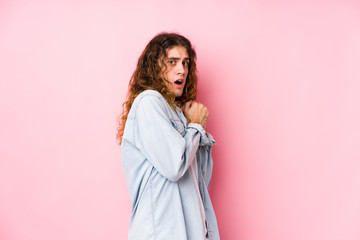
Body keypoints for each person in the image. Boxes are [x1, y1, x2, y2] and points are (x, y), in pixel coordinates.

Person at [117, 32, 220, 240]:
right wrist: (194, 127)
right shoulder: (149, 102)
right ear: (155, 67)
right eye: (172, 62)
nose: (181, 70)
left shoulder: (178, 112)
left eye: (185, 63)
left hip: (191, 229)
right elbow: (175, 166)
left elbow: (199, 182)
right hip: (163, 231)